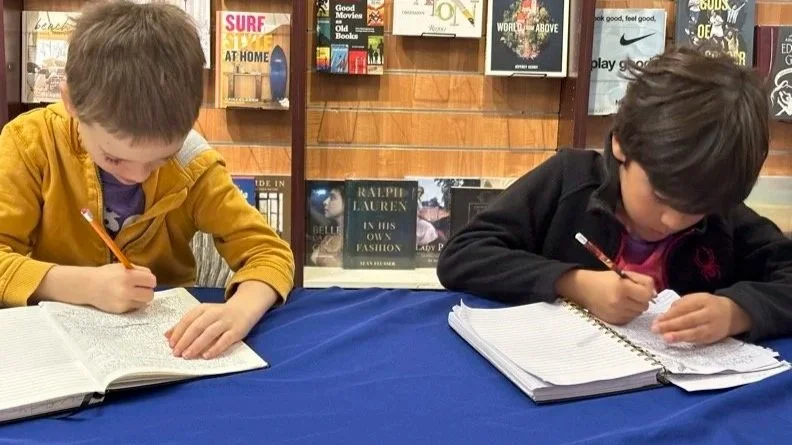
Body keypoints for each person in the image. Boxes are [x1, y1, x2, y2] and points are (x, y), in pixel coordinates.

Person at [437, 46, 792, 345]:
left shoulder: (719, 207)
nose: (672, 220)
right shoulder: (570, 179)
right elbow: (463, 255)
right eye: (660, 195)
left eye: (695, 209)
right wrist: (575, 284)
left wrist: (738, 311)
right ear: (621, 142)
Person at [0, 1, 294, 359]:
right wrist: (83, 286)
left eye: (160, 159)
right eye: (114, 158)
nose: (135, 175)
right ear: (71, 102)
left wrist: (239, 312)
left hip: (161, 350)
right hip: (51, 348)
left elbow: (270, 253)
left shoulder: (193, 165)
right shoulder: (30, 145)